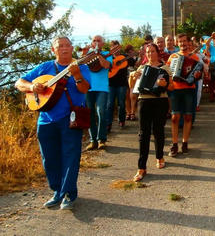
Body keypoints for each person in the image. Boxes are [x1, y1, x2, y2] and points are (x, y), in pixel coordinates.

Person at [15, 36, 91, 210]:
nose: (64, 48)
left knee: (70, 156)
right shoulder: (45, 67)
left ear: (72, 48)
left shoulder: (82, 67)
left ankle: (69, 194)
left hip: (70, 118)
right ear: (53, 50)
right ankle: (57, 191)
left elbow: (85, 89)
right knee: (49, 158)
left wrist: (77, 75)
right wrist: (32, 87)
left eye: (67, 45)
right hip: (46, 119)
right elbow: (19, 82)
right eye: (60, 46)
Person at [132, 43, 173, 182]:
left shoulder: (165, 68)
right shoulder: (141, 68)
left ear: (157, 52)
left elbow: (171, 86)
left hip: (160, 101)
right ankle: (141, 167)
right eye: (147, 52)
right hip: (144, 101)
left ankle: (159, 156)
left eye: (152, 51)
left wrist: (164, 85)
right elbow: (133, 87)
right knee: (143, 133)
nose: (150, 54)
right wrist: (132, 76)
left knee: (158, 130)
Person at [166, 34, 202, 156]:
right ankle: (174, 144)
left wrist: (197, 75)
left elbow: (199, 74)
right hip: (176, 89)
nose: (182, 44)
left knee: (188, 117)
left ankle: (185, 143)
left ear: (188, 42)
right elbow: (168, 73)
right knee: (175, 117)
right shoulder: (173, 57)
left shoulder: (195, 57)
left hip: (189, 89)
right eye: (180, 42)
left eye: (184, 41)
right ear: (177, 43)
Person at [82, 35, 112, 150]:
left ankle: (102, 139)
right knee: (90, 114)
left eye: (98, 41)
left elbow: (106, 65)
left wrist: (98, 54)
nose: (96, 42)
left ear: (103, 44)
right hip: (88, 88)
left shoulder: (107, 54)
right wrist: (85, 54)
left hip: (102, 88)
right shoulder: (87, 55)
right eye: (94, 41)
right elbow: (80, 66)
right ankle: (93, 140)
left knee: (101, 112)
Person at [106, 40, 133, 130]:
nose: (115, 49)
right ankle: (108, 123)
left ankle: (122, 120)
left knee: (121, 103)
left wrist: (137, 55)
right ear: (111, 48)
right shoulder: (108, 58)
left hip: (122, 84)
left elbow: (134, 63)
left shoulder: (124, 57)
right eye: (113, 47)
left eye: (117, 47)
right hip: (111, 83)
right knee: (110, 104)